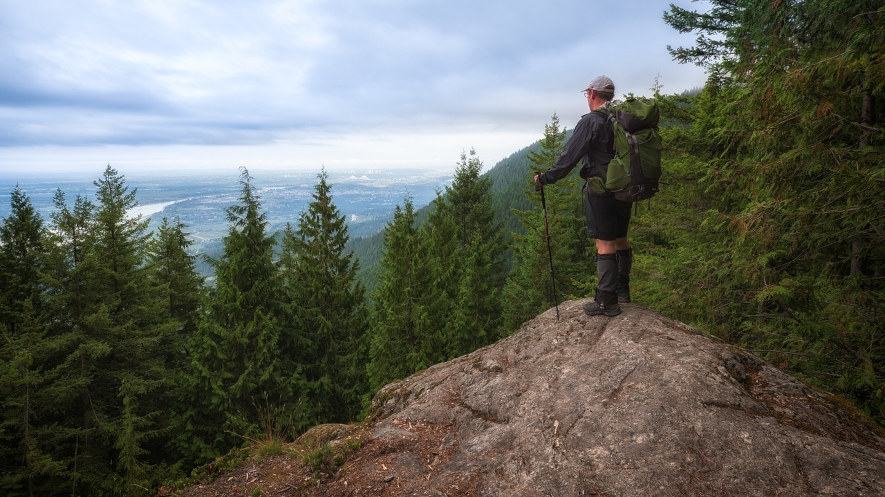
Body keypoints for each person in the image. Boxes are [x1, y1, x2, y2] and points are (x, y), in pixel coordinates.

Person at [533, 75, 632, 317]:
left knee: (605, 242)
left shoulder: (591, 122)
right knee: (620, 238)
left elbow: (569, 157)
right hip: (626, 187)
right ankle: (622, 292)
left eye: (587, 94)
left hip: (602, 189)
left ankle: (606, 302)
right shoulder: (622, 119)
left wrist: (545, 178)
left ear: (592, 94)